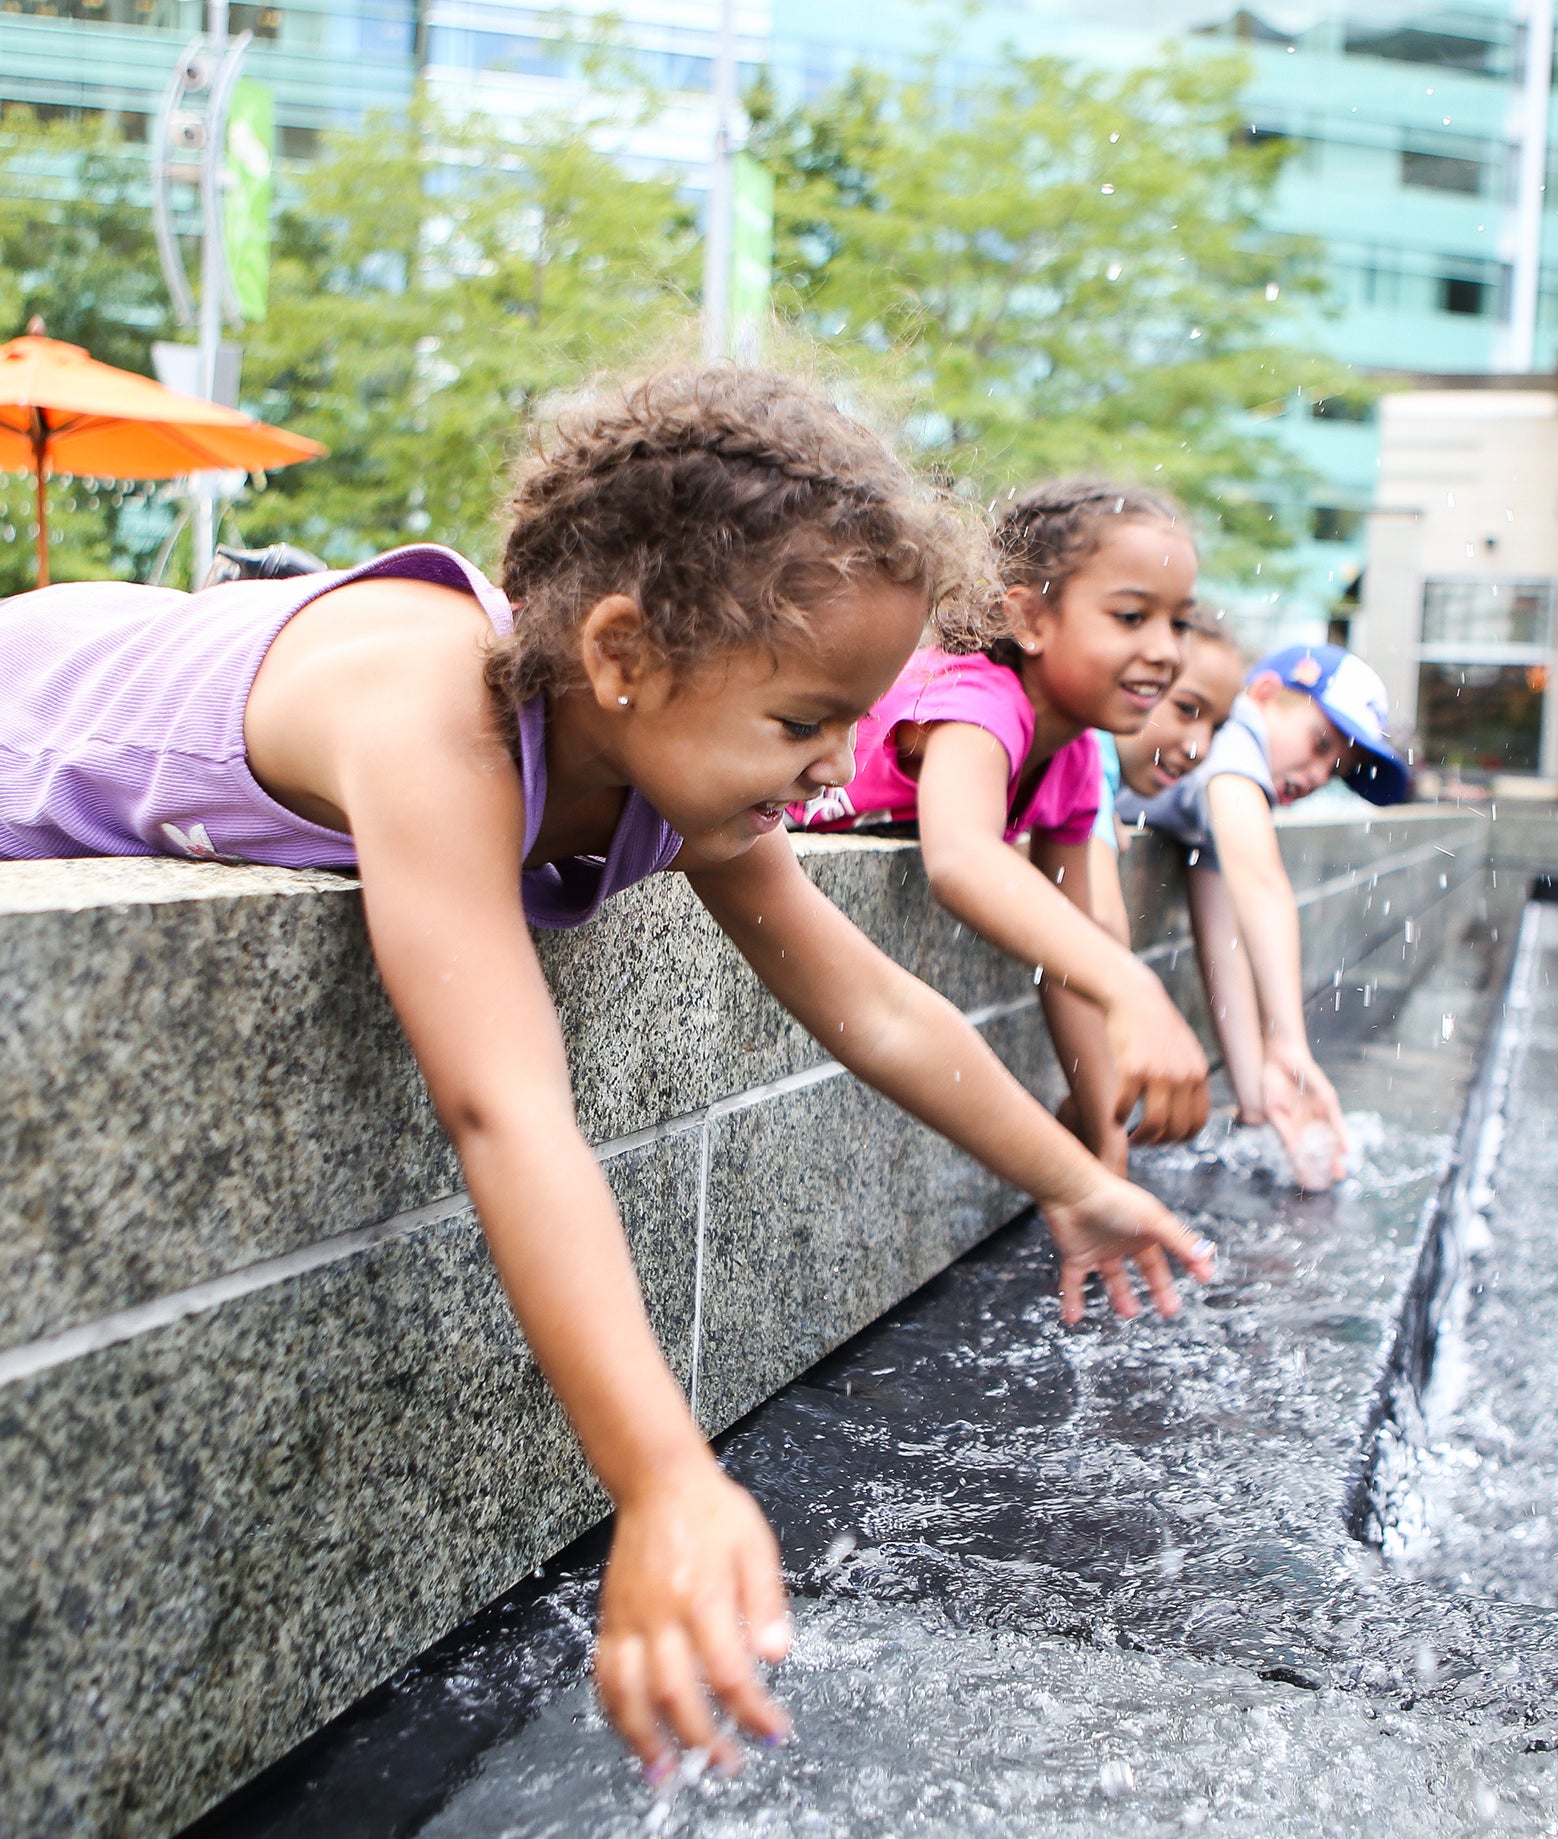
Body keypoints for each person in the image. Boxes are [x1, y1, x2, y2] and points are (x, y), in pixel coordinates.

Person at [0, 369, 1215, 1783]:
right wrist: (660, 1477)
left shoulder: (669, 751)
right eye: (802, 720)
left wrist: (1073, 1181)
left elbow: (875, 1005)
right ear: (624, 650)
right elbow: (504, 1105)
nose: (833, 769)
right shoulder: (430, 716)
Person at [790, 480, 1215, 1178]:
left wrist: (1104, 1156)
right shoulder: (976, 701)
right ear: (1028, 618)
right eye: (1132, 616)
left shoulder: (1076, 753)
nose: (1167, 650)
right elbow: (960, 859)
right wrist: (1132, 986)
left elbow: (1069, 951)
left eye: (1180, 622)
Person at [1131, 643, 1410, 1187]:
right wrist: (1289, 1043)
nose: (1316, 773)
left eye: (1336, 768)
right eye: (1321, 743)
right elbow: (1260, 879)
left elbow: (1224, 945)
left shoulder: (1220, 786)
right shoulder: (1233, 734)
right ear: (1262, 695)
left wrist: (1259, 1102)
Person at [1086, 611, 1244, 949]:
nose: (1199, 748)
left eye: (1216, 728)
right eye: (1187, 708)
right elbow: (1099, 919)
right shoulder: (1089, 753)